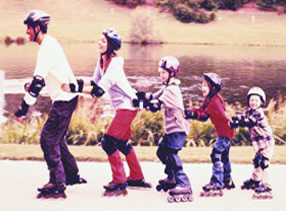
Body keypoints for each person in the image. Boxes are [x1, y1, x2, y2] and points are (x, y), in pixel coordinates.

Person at [66, 28, 151, 196]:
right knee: (121, 143)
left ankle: (119, 182)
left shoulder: (115, 67)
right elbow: (93, 82)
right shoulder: (102, 61)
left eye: (103, 41)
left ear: (111, 45)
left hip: (128, 107)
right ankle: (136, 177)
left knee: (108, 142)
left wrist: (73, 89)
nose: (99, 42)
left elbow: (98, 92)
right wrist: (73, 82)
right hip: (123, 108)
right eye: (100, 40)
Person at [15, 10, 86, 199]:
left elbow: (38, 81)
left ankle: (57, 183)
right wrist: (36, 86)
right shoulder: (50, 44)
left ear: (37, 28)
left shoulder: (46, 48)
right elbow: (50, 75)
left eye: (29, 28)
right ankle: (71, 175)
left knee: (48, 138)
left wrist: (23, 107)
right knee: (58, 138)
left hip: (64, 99)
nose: (27, 32)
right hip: (68, 97)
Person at [133, 56, 193, 202]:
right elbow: (154, 96)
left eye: (164, 73)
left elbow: (156, 104)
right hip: (171, 130)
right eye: (160, 73)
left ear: (172, 73)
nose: (161, 76)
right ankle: (172, 177)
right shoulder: (167, 86)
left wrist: (142, 104)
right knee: (161, 151)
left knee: (172, 154)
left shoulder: (172, 90)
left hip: (177, 129)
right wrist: (140, 96)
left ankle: (184, 183)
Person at [184, 73, 235, 197]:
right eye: (202, 85)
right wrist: (190, 112)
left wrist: (191, 114)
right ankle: (227, 181)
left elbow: (204, 117)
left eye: (205, 86)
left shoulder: (214, 102)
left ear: (212, 88)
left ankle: (217, 183)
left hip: (225, 133)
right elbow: (201, 111)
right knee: (223, 157)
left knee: (216, 154)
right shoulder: (209, 99)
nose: (202, 88)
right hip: (226, 132)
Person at [229, 87, 274, 199]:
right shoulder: (249, 112)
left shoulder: (258, 113)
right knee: (257, 162)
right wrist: (234, 119)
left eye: (256, 100)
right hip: (259, 144)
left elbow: (249, 121)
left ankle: (266, 185)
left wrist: (239, 123)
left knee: (263, 162)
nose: (253, 102)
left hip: (266, 142)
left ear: (261, 102)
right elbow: (243, 117)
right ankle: (255, 181)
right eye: (251, 100)